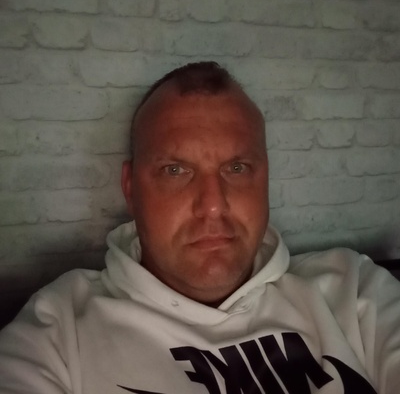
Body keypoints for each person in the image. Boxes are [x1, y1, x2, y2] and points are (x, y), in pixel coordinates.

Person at [0, 62, 399, 394]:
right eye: (175, 170)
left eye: (237, 168)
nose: (212, 204)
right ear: (131, 189)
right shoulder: (58, 332)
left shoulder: (354, 293)